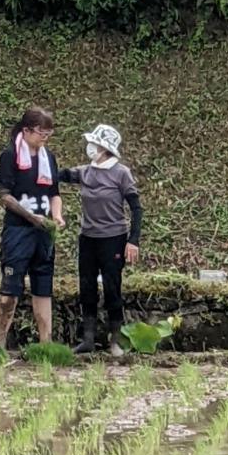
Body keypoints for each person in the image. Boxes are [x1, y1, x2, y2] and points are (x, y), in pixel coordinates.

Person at [58, 124, 143, 356]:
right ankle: (88, 339)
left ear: (105, 148)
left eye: (94, 144)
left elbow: (136, 208)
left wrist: (133, 240)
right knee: (87, 287)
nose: (90, 148)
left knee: (112, 288)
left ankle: (115, 339)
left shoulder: (121, 173)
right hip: (88, 238)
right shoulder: (86, 171)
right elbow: (62, 175)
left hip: (113, 238)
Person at [0, 107, 64, 351]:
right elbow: (5, 196)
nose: (45, 138)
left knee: (43, 288)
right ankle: (0, 342)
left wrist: (56, 216)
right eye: (40, 133)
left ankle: (46, 343)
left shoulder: (49, 158)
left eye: (49, 133)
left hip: (44, 232)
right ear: (26, 131)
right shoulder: (10, 155)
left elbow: (54, 193)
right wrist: (30, 217)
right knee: (10, 291)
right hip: (18, 230)